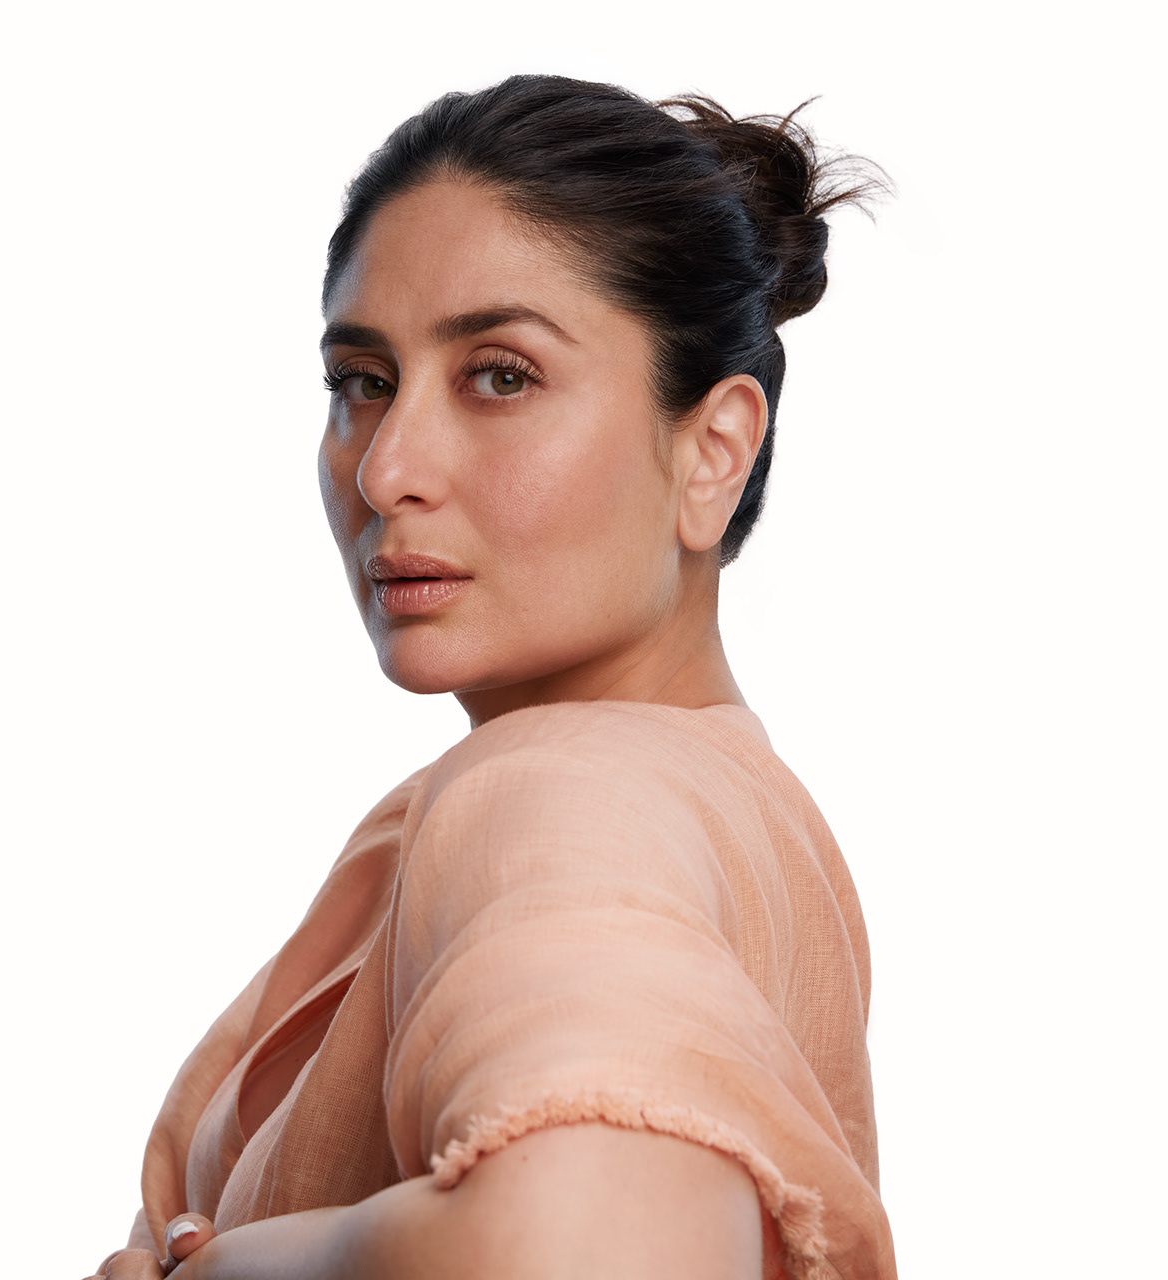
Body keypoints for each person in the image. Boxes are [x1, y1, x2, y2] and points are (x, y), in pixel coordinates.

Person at [88, 75, 893, 1280]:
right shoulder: (730, 816)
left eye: (501, 375)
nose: (386, 470)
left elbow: (598, 1246)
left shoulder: (565, 793)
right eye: (363, 382)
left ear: (713, 452)